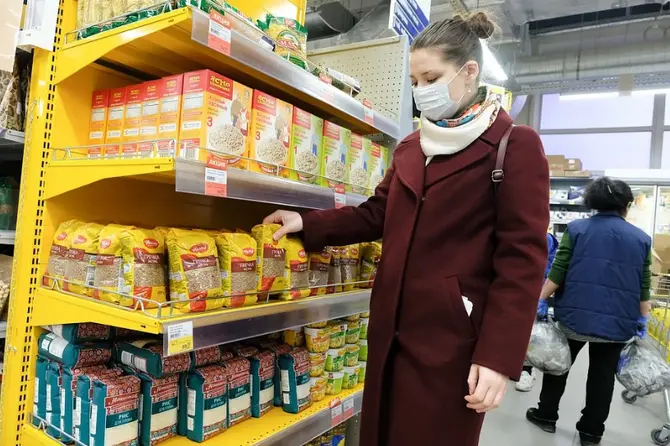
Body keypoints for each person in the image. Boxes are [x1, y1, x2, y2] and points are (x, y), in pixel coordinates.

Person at [263, 12, 549, 446]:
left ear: (469, 72)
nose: (421, 91)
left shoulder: (513, 145)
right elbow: (377, 213)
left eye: (431, 78)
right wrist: (307, 221)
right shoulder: (414, 146)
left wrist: (497, 356)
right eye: (415, 81)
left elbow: (522, 258)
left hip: (451, 340)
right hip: (389, 331)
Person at [526, 177, 652, 446]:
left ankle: (546, 415)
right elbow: (644, 285)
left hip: (574, 317)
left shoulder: (577, 229)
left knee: (557, 365)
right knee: (602, 377)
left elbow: (558, 271)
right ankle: (591, 432)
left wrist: (540, 299)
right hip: (618, 322)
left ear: (593, 203)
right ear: (626, 205)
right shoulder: (642, 239)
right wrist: (643, 317)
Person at [516, 230, 559, 392]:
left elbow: (551, 269)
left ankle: (526, 370)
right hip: (513, 291)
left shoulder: (546, 239)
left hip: (534, 293)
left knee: (529, 333)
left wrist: (543, 296)